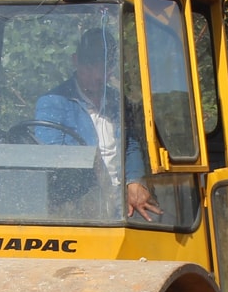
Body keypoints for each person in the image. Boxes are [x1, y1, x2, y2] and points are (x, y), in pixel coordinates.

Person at [34, 30, 161, 221]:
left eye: (105, 68)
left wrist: (135, 181)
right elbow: (54, 159)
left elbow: (131, 143)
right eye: (91, 66)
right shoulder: (53, 102)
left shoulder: (117, 101)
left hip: (122, 198)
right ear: (75, 61)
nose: (97, 76)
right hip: (77, 203)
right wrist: (95, 188)